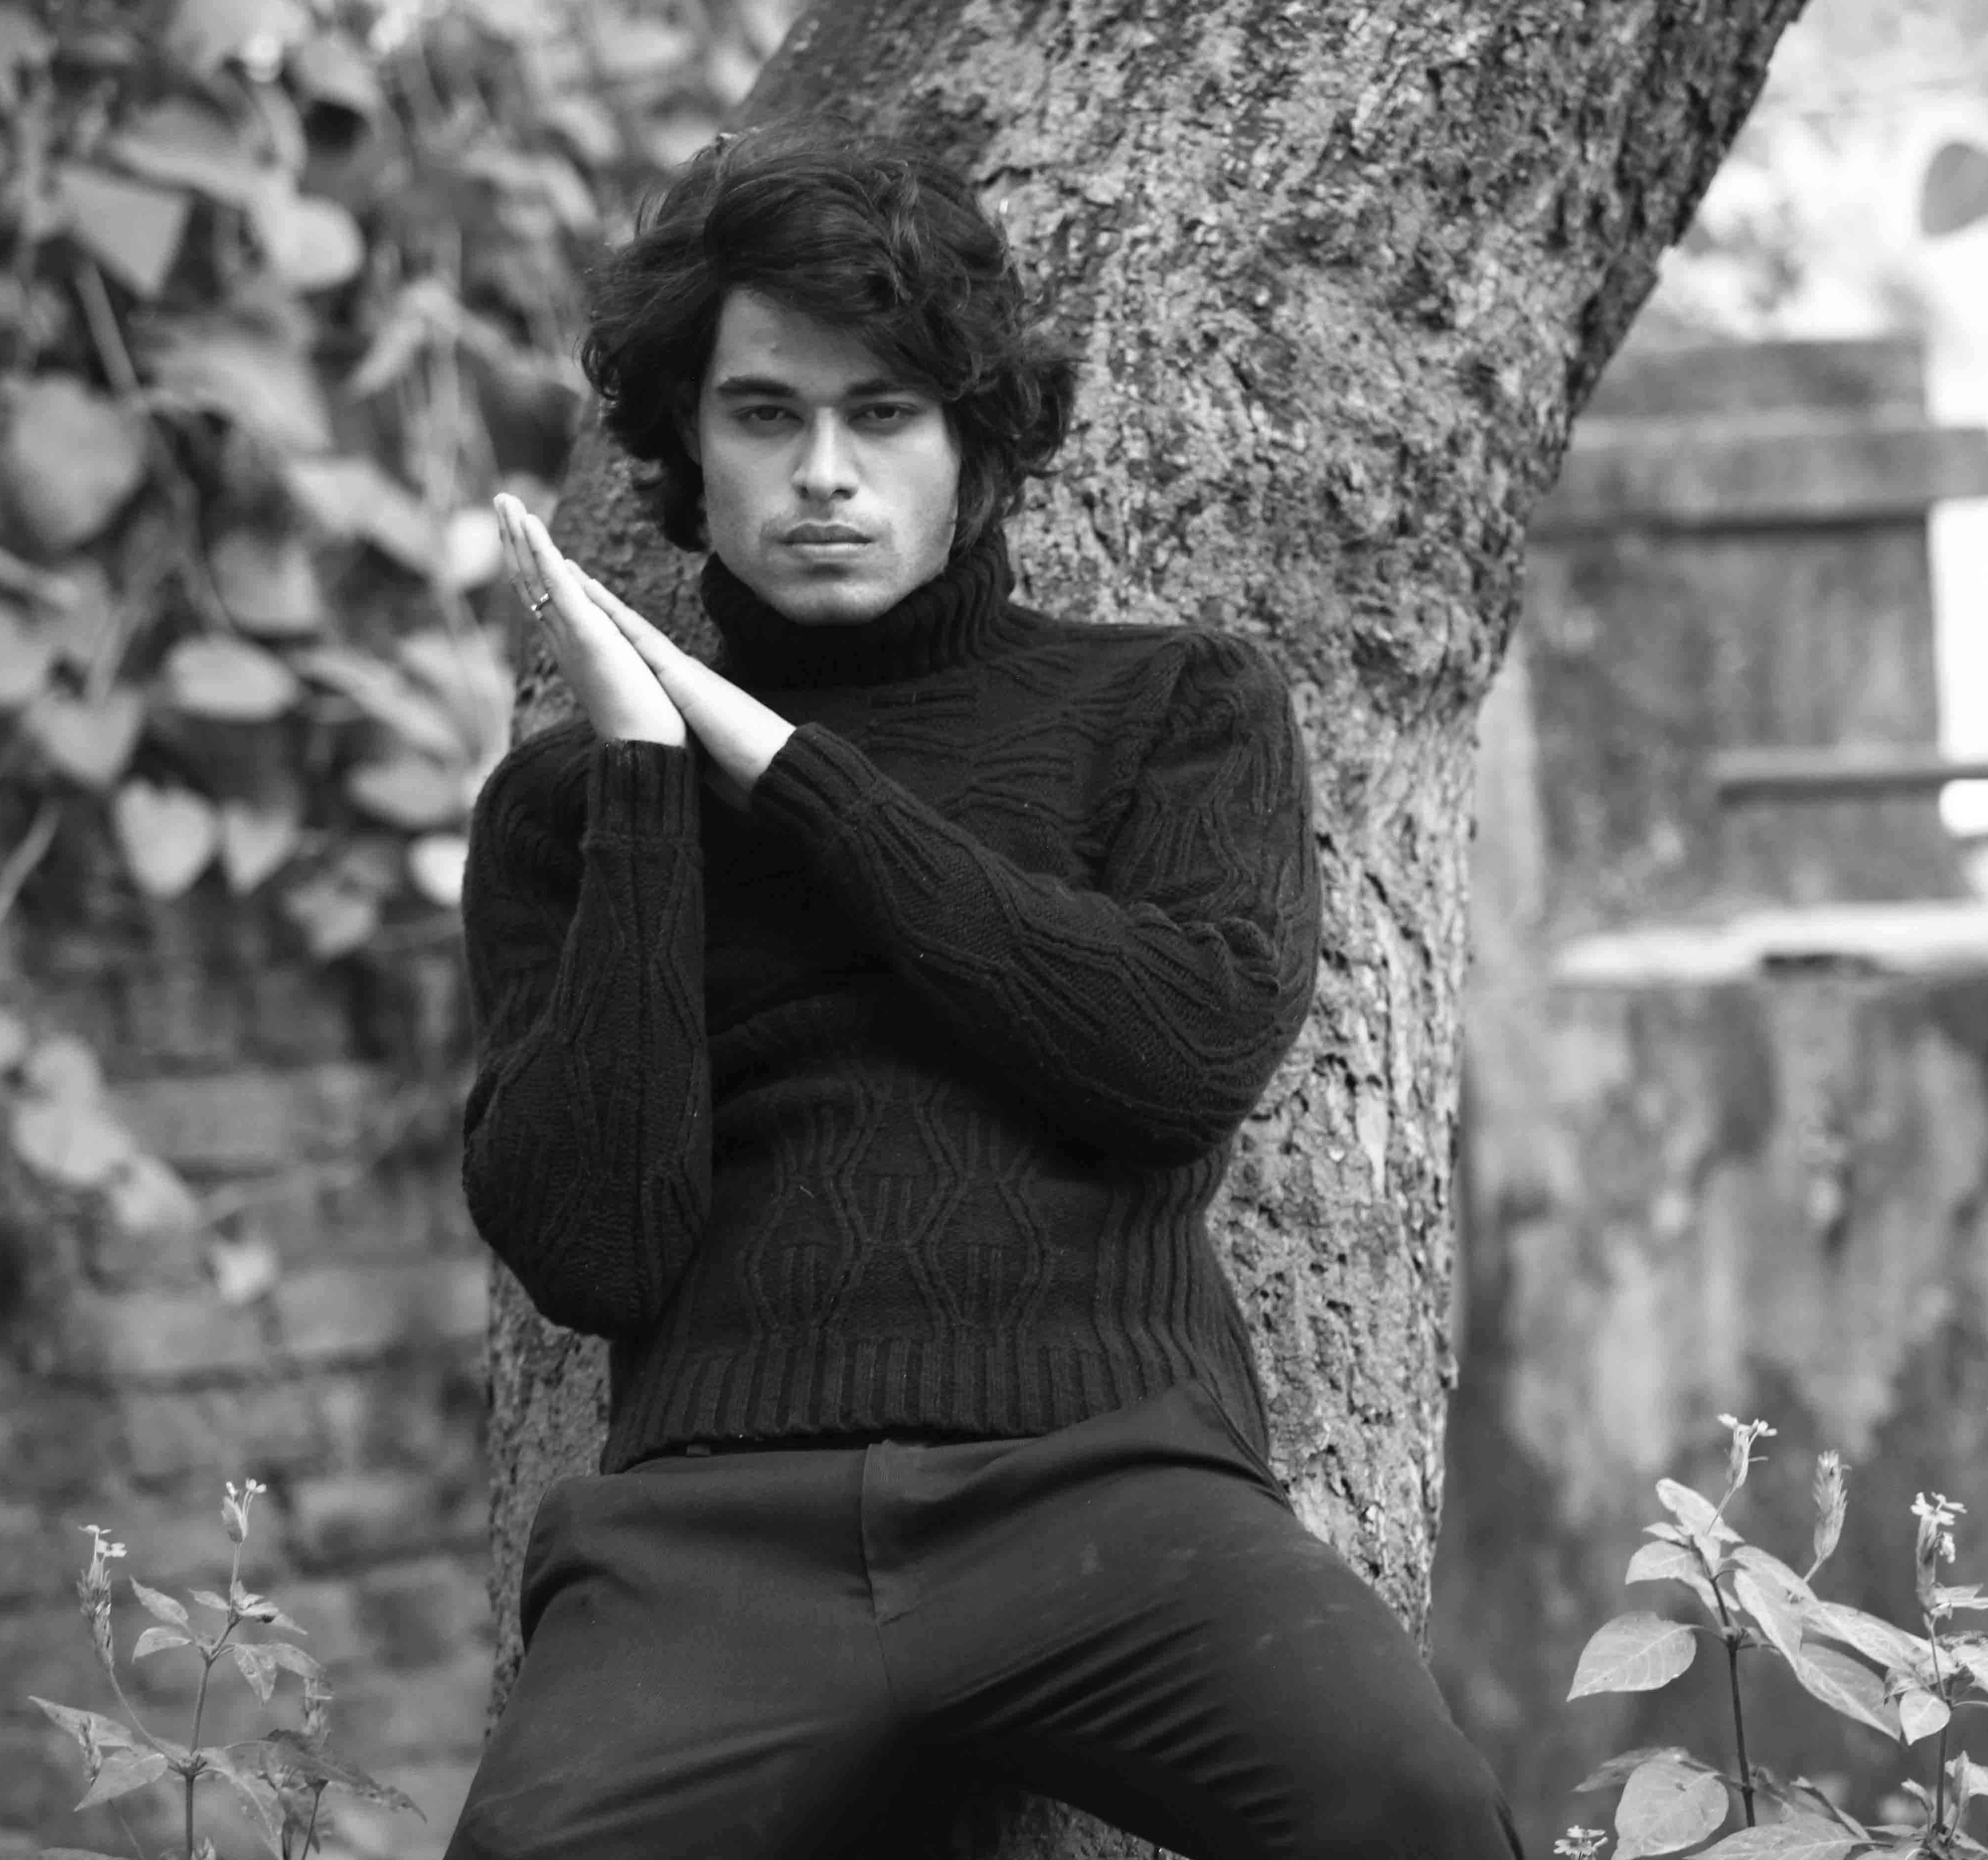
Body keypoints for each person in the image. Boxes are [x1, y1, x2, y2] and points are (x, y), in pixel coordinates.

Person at [448, 118, 1521, 1860]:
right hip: (718, 1539)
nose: (824, 474)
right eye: (765, 415)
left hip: (1112, 1489)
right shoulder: (569, 809)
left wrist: (789, 774)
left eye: (882, 415)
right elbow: (595, 1251)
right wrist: (649, 777)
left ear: (974, 443)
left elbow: (1175, 1061)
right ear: (689, 448)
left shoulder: (1174, 708)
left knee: (1412, 1814)